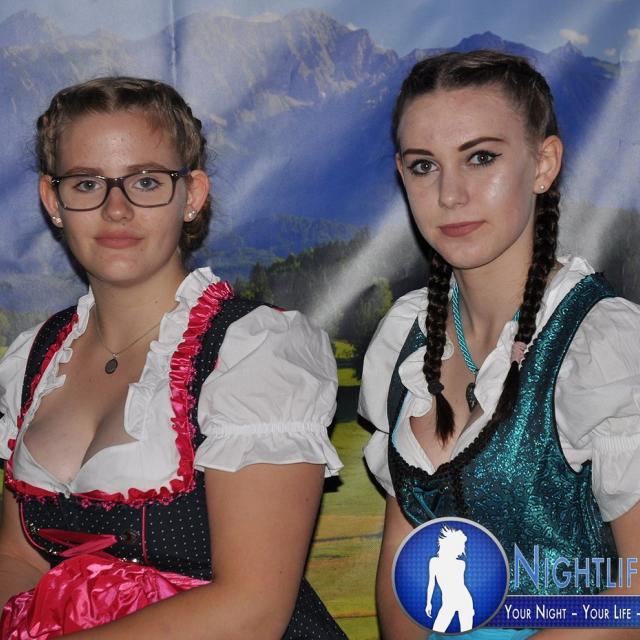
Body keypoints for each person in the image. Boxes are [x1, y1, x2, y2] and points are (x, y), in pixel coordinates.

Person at [0, 76, 346, 639]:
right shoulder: (35, 358)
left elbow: (252, 610)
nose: (116, 209)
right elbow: (19, 555)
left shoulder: (252, 352)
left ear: (193, 195)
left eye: (145, 181)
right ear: (53, 200)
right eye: (87, 183)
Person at [359, 50, 640, 639]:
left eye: (481, 157)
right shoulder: (407, 340)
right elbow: (405, 568)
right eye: (423, 166)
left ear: (543, 164)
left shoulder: (602, 344)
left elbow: (635, 594)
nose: (450, 194)